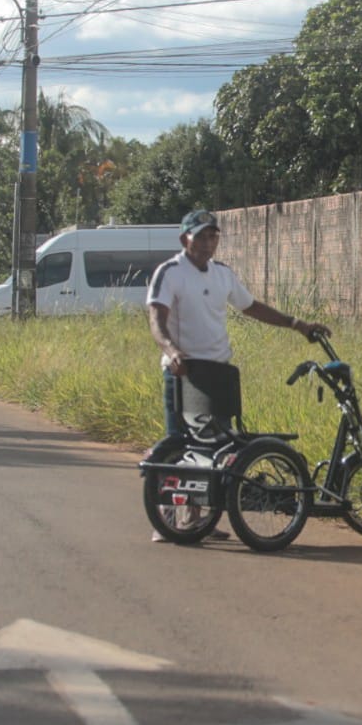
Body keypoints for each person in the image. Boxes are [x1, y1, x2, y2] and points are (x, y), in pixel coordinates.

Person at [145, 209, 329, 538]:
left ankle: (200, 518)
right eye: (199, 236)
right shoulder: (170, 272)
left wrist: (297, 324)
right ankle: (170, 519)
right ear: (184, 239)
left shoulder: (222, 274)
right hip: (183, 371)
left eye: (212, 236)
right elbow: (156, 319)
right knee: (181, 446)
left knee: (217, 448)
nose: (206, 243)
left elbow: (251, 307)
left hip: (216, 376)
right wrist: (171, 351)